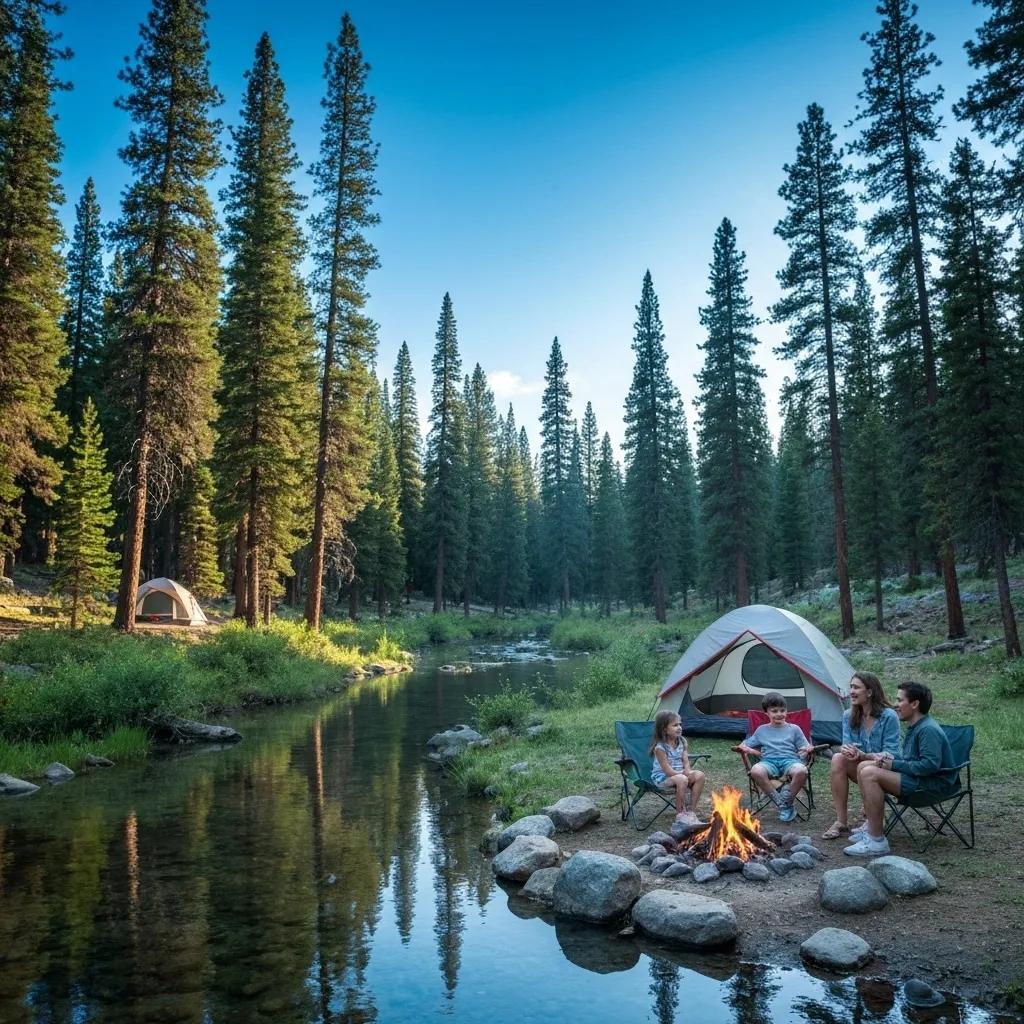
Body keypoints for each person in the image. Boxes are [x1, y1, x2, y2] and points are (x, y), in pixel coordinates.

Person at [843, 680, 958, 856]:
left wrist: (893, 764)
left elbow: (929, 766)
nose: (895, 705)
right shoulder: (915, 727)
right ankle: (871, 829)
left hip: (932, 786)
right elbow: (912, 760)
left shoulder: (928, 730)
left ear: (914, 704)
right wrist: (880, 758)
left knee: (869, 773)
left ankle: (876, 841)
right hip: (920, 779)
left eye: (899, 700)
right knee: (865, 765)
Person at [821, 672, 901, 840]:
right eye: (850, 687)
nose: (851, 691)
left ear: (870, 692)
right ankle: (841, 821)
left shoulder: (889, 716)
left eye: (856, 687)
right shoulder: (849, 715)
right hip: (860, 764)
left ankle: (873, 820)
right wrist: (848, 751)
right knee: (837, 758)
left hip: (885, 768)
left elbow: (891, 754)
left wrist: (865, 755)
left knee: (865, 765)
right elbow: (847, 744)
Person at [736, 692, 814, 824]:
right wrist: (744, 748)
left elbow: (805, 747)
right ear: (766, 713)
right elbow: (746, 744)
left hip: (790, 761)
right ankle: (782, 802)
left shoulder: (794, 729)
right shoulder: (761, 730)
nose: (779, 714)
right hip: (768, 762)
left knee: (801, 771)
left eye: (782, 710)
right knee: (756, 771)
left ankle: (785, 801)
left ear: (786, 711)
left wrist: (808, 750)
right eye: (774, 711)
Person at [650, 710, 706, 823]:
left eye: (680, 724)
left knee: (700, 775)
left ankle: (691, 812)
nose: (679, 727)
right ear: (664, 729)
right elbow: (667, 770)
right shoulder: (660, 748)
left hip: (680, 774)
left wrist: (687, 770)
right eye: (675, 725)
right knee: (682, 779)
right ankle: (680, 814)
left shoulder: (682, 741)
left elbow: (685, 760)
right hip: (663, 778)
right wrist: (682, 774)